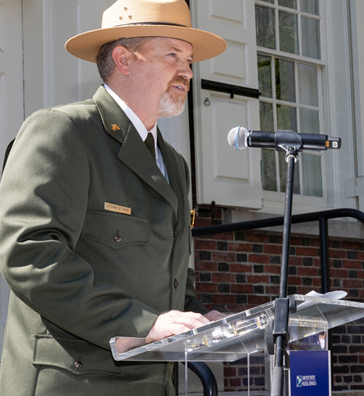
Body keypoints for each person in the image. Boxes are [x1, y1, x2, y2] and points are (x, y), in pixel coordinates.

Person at [0, 1, 227, 394]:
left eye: (189, 60)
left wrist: (199, 319)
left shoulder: (173, 163)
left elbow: (169, 272)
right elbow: (30, 253)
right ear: (123, 59)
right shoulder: (63, 132)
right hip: (73, 382)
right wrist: (140, 324)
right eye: (172, 54)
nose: (187, 72)